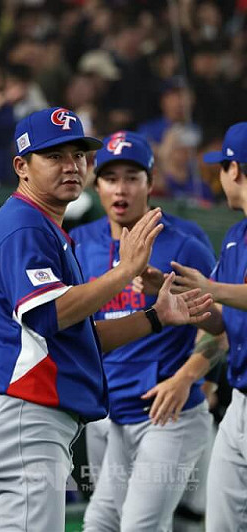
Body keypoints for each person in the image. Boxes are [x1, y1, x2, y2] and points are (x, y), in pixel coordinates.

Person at [0, 107, 213, 531]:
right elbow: (48, 316)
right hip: (27, 411)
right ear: (21, 166)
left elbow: (76, 336)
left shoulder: (44, 227)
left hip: (45, 414)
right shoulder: (25, 227)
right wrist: (125, 272)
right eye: (54, 156)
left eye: (78, 155)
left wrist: (155, 317)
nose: (71, 166)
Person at [70, 131, 215, 531]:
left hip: (166, 412)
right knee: (101, 522)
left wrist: (189, 377)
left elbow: (222, 326)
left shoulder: (185, 245)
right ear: (95, 184)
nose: (121, 189)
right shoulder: (78, 243)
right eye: (110, 177)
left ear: (151, 183)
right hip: (107, 412)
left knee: (141, 525)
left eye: (132, 177)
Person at [167, 122, 247, 531]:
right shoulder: (235, 235)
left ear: (235, 169)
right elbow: (221, 319)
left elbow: (223, 293)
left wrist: (211, 288)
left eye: (222, 168)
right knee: (220, 524)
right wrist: (192, 302)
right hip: (239, 401)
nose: (219, 178)